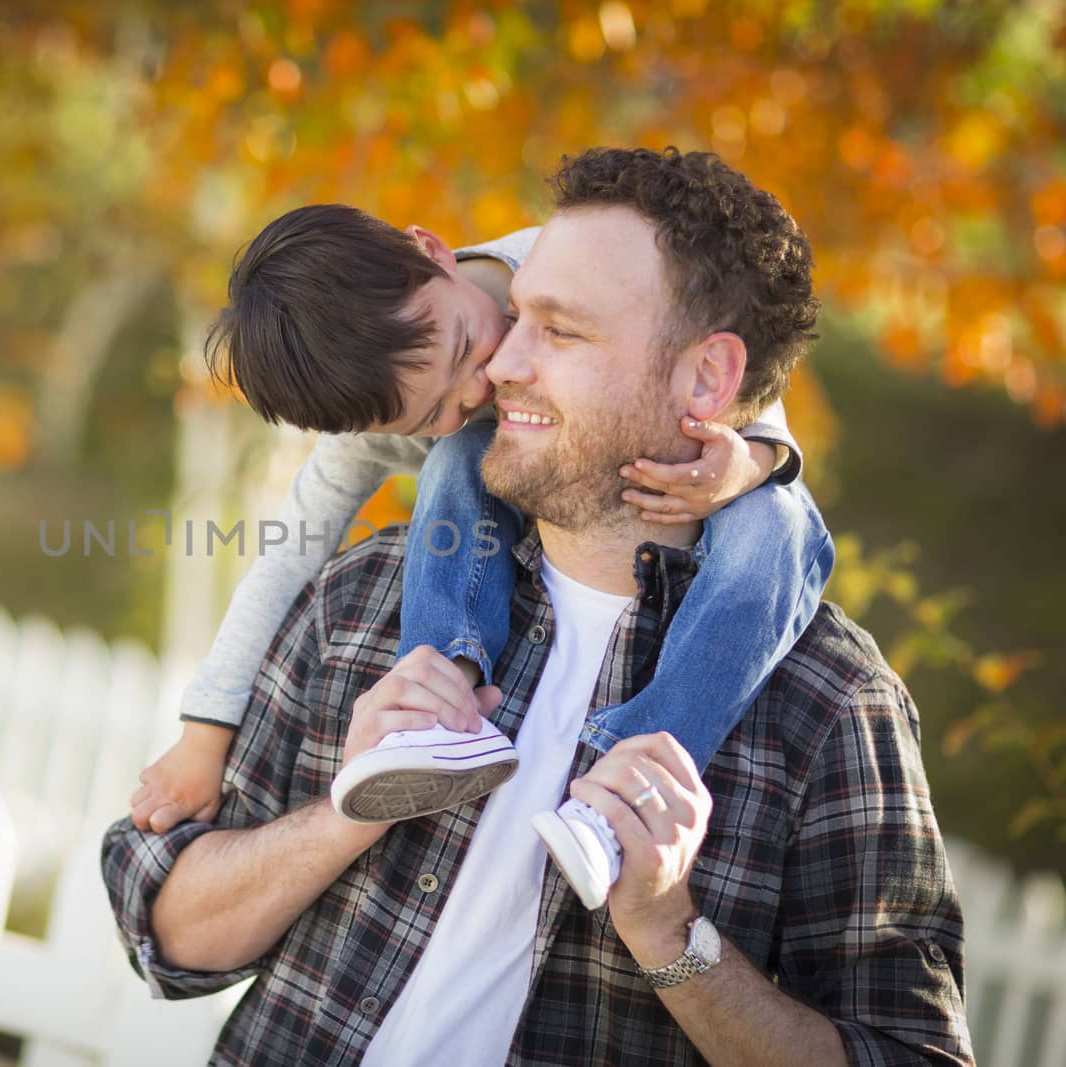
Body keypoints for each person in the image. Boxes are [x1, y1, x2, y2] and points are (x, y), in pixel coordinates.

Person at [104, 147, 971, 1066]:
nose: (493, 375)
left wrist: (674, 938)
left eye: (551, 330)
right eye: (515, 325)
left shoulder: (832, 704)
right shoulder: (361, 602)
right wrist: (318, 797)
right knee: (451, 465)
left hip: (743, 493)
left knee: (780, 526)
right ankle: (448, 697)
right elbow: (165, 936)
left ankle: (647, 748)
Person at [129, 203, 831, 909]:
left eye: (468, 347)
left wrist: (749, 463)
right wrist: (203, 734)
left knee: (776, 528)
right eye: (426, 415)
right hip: (520, 511)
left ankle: (636, 773)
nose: (474, 392)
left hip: (700, 468)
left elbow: (734, 369)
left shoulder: (555, 265)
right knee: (462, 455)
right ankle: (437, 701)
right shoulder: (389, 423)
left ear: (433, 252)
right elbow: (285, 559)